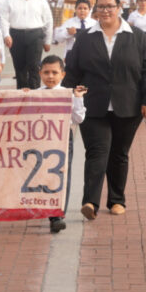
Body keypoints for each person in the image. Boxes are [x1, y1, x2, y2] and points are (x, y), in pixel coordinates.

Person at [63, 0, 146, 219]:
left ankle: (116, 200)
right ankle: (90, 202)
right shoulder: (85, 37)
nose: (105, 11)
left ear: (119, 8)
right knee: (97, 152)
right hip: (92, 105)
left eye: (110, 6)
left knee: (119, 153)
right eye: (101, 6)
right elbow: (73, 71)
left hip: (128, 104)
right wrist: (62, 97)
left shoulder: (135, 35)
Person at [31, 55, 87, 233]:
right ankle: (45, 207)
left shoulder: (68, 94)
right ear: (40, 73)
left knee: (61, 175)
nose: (50, 76)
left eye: (54, 72)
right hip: (40, 141)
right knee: (41, 175)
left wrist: (77, 98)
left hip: (63, 139)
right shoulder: (35, 94)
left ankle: (57, 215)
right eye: (46, 72)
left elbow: (78, 118)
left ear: (62, 74)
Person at [0, 0, 53, 90]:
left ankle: (35, 93)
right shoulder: (9, 0)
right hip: (16, 35)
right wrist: (6, 35)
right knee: (20, 68)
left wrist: (47, 40)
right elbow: (4, 20)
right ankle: (22, 96)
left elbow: (48, 20)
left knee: (34, 66)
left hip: (35, 35)